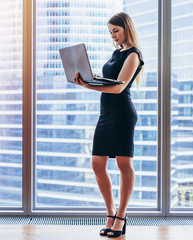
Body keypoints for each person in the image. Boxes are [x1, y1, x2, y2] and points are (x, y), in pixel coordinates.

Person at [73, 12, 144, 238]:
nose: (113, 36)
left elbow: (119, 88)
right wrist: (92, 78)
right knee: (97, 164)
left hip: (122, 113)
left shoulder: (134, 55)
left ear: (126, 28)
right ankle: (111, 213)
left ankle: (121, 217)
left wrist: (88, 87)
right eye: (110, 32)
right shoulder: (117, 53)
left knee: (124, 165)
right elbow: (110, 80)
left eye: (116, 31)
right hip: (106, 114)